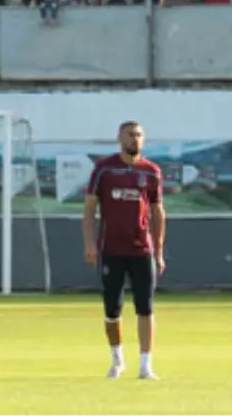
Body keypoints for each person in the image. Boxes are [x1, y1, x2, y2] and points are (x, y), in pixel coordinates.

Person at [82, 121, 166, 380]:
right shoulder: (104, 169)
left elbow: (157, 212)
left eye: (139, 135)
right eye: (130, 135)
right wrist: (89, 243)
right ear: (120, 137)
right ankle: (117, 360)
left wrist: (159, 251)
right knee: (112, 308)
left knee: (145, 307)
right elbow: (89, 208)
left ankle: (146, 365)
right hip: (111, 249)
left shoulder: (151, 172)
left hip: (142, 250)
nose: (135, 139)